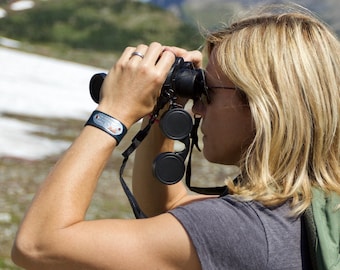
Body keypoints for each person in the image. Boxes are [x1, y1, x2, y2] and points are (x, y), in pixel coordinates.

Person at [12, 3, 339, 270]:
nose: (197, 109)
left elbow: (39, 245)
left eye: (207, 92)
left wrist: (113, 112)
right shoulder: (309, 207)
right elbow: (165, 207)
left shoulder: (242, 229)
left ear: (261, 105)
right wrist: (166, 103)